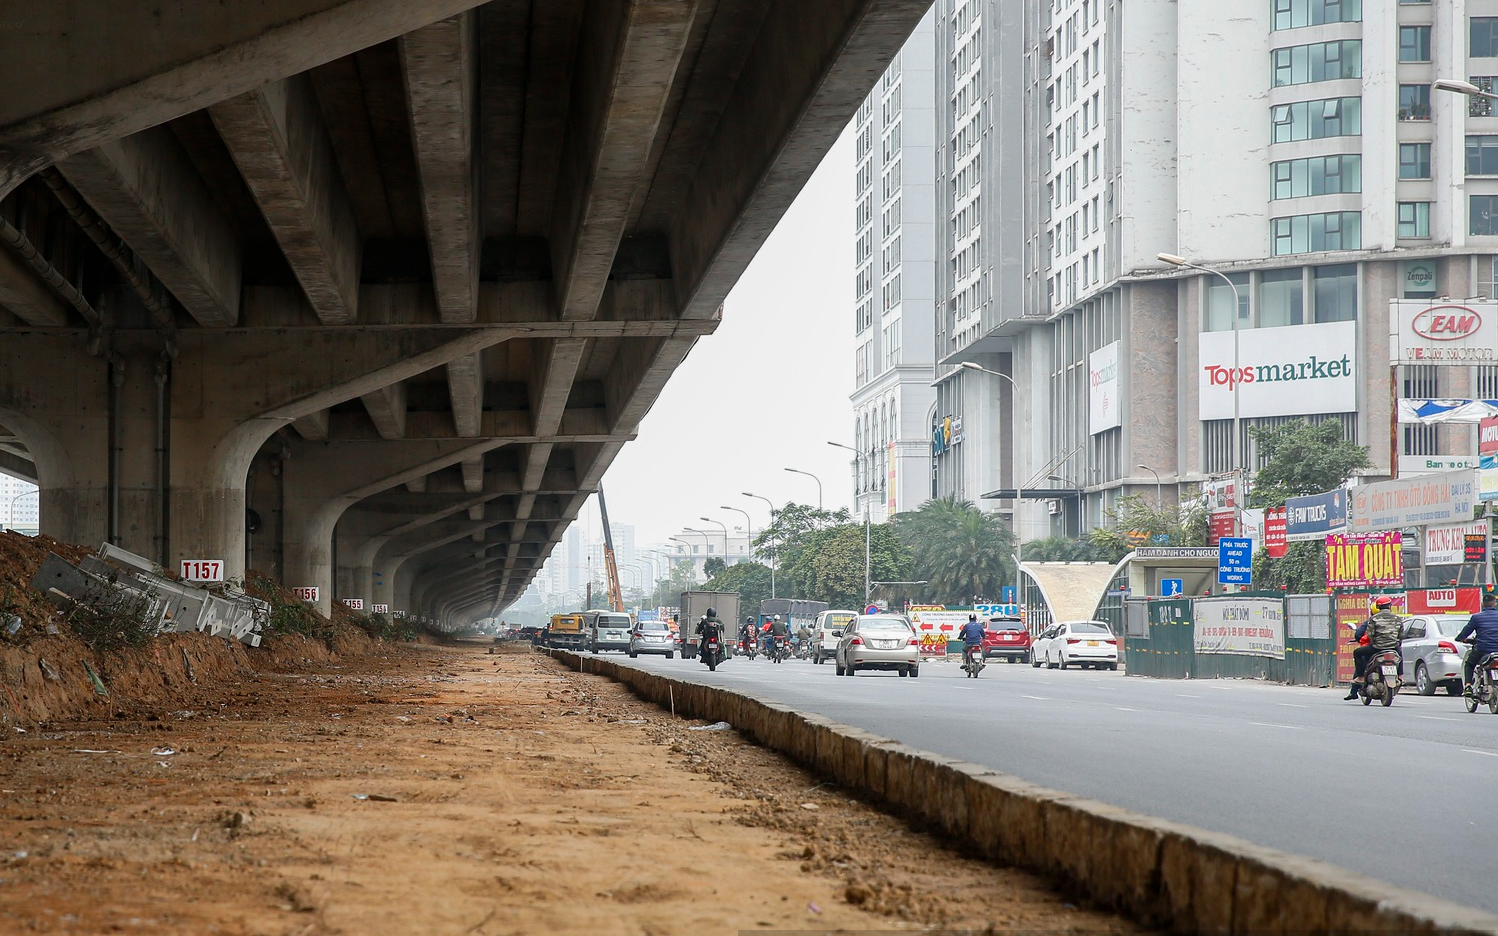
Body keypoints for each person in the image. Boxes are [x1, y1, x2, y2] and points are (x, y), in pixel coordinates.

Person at [1344, 596, 1403, 700]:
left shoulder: (1373, 619)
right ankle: (1400, 675)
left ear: (1378, 607)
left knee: (1357, 653)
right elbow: (1401, 635)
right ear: (1390, 606)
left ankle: (1361, 677)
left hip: (1377, 648)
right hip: (1393, 648)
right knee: (1400, 653)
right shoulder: (1397, 618)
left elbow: (1370, 634)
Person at [1456, 592, 1498, 695]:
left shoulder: (1476, 617)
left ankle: (1468, 686)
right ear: (1495, 604)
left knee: (1469, 664)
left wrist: (1460, 638)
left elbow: (1466, 631)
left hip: (1482, 650)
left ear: (1482, 604)